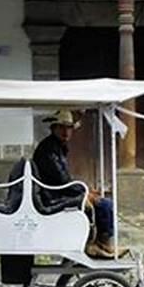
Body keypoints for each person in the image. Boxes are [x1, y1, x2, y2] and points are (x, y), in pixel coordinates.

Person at [32, 109, 125, 259]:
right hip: (52, 197)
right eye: (61, 127)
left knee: (102, 202)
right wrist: (84, 192)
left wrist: (86, 190)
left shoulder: (56, 147)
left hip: (55, 192)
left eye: (68, 128)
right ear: (53, 128)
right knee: (104, 204)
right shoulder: (48, 150)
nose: (66, 132)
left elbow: (64, 179)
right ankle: (95, 244)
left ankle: (101, 243)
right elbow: (62, 180)